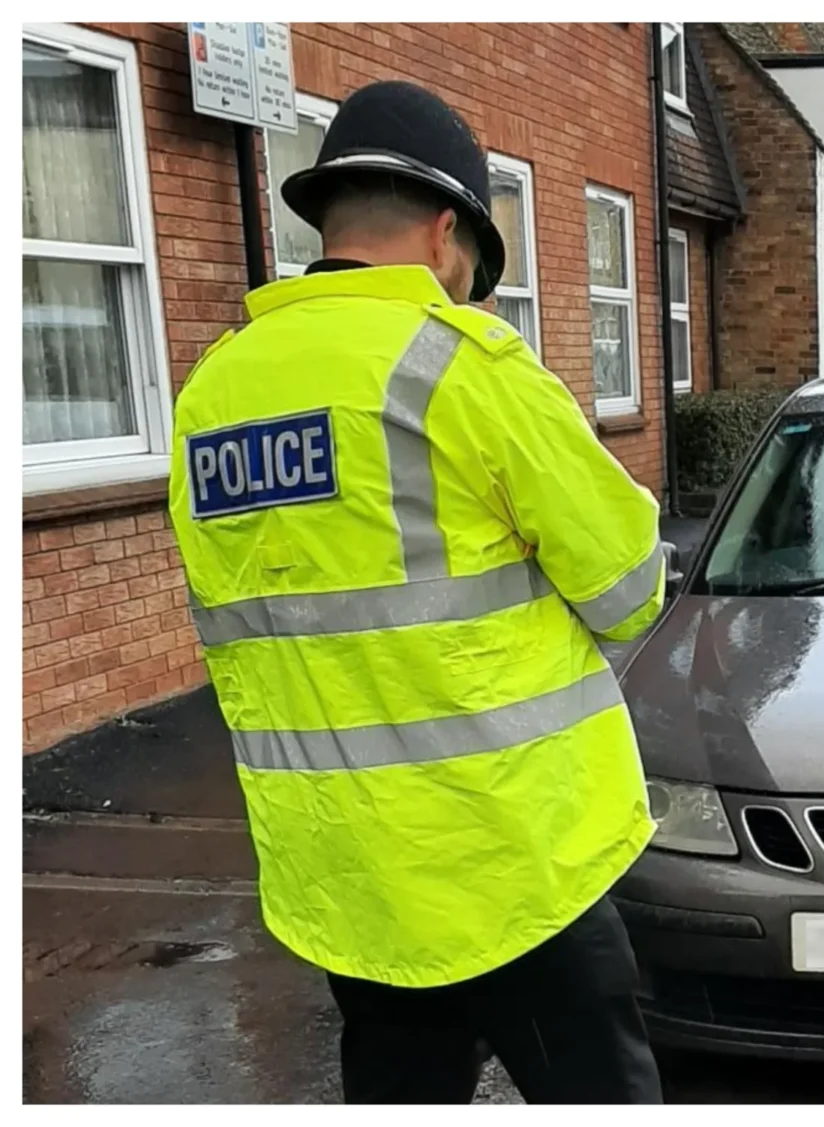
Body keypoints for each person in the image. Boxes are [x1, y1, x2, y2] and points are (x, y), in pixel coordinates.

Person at [167, 80, 669, 1104]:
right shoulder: (463, 366)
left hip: (348, 876)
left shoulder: (211, 394)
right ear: (447, 234)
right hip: (512, 865)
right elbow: (629, 589)